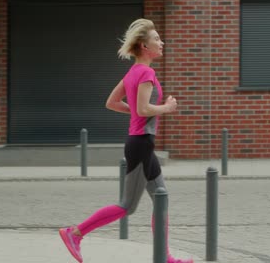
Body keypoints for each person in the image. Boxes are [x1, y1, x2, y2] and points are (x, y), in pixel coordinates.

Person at [59, 18, 193, 263]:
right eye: (156, 39)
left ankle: (165, 257)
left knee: (161, 196)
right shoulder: (146, 72)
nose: (161, 42)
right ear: (144, 46)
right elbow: (142, 109)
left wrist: (140, 110)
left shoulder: (133, 72)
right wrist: (167, 107)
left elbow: (112, 103)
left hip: (142, 144)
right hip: (141, 144)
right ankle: (74, 233)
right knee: (127, 205)